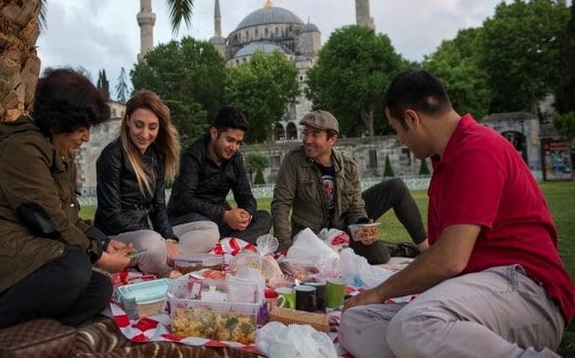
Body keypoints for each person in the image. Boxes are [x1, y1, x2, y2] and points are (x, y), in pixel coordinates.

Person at [339, 69, 574, 358]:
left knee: (413, 326)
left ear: (412, 119)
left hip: (525, 290)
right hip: (477, 288)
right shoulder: (447, 159)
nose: (400, 139)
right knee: (355, 322)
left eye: (396, 128)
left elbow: (450, 259)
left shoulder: (478, 149)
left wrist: (379, 291)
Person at [0, 68, 132, 356]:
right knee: (75, 266)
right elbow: (47, 221)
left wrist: (102, 241)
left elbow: (68, 219)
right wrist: (98, 255)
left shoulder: (56, 153)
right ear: (58, 122)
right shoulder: (23, 148)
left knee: (98, 290)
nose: (85, 137)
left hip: (19, 256)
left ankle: (19, 331)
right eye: (81, 128)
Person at [271, 110, 428, 264]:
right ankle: (399, 249)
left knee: (396, 187)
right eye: (306, 133)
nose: (307, 140)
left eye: (315, 134)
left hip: (344, 229)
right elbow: (281, 204)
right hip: (312, 238)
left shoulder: (348, 166)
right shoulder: (294, 161)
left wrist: (363, 226)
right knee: (379, 256)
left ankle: (426, 248)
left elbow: (356, 206)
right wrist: (286, 248)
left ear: (332, 139)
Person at [93, 90, 219, 276]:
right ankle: (165, 262)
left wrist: (169, 238)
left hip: (147, 234)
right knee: (152, 244)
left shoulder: (156, 156)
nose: (145, 134)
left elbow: (158, 207)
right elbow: (111, 215)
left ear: (160, 127)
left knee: (210, 229)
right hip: (117, 235)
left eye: (152, 127)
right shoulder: (112, 156)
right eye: (139, 125)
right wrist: (160, 239)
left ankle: (159, 259)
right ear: (127, 121)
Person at [167, 107, 272, 245]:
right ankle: (228, 245)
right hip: (189, 219)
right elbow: (184, 201)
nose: (234, 147)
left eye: (238, 142)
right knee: (208, 227)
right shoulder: (192, 156)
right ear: (214, 133)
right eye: (230, 140)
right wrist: (224, 215)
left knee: (264, 218)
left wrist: (247, 214)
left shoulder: (235, 158)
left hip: (220, 220)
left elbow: (245, 194)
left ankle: (222, 245)